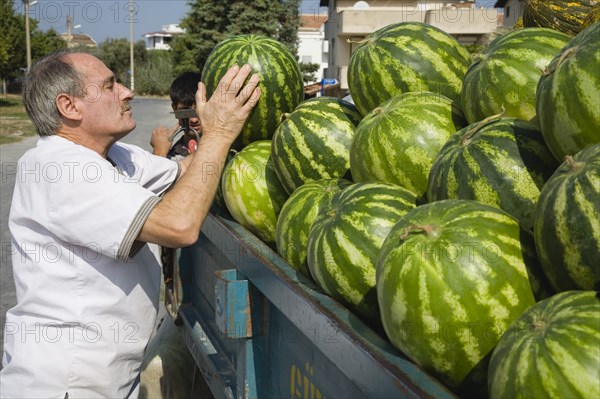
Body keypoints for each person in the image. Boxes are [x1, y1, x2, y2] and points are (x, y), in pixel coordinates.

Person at [0, 49, 260, 397]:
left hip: (106, 378)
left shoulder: (115, 157)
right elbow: (179, 225)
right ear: (69, 106)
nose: (127, 92)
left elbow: (186, 171)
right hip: (67, 383)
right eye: (110, 86)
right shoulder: (59, 168)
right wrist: (220, 133)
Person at [150, 72, 203, 160]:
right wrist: (159, 154)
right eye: (186, 111)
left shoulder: (228, 146)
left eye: (199, 110)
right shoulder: (168, 157)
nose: (194, 120)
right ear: (174, 109)